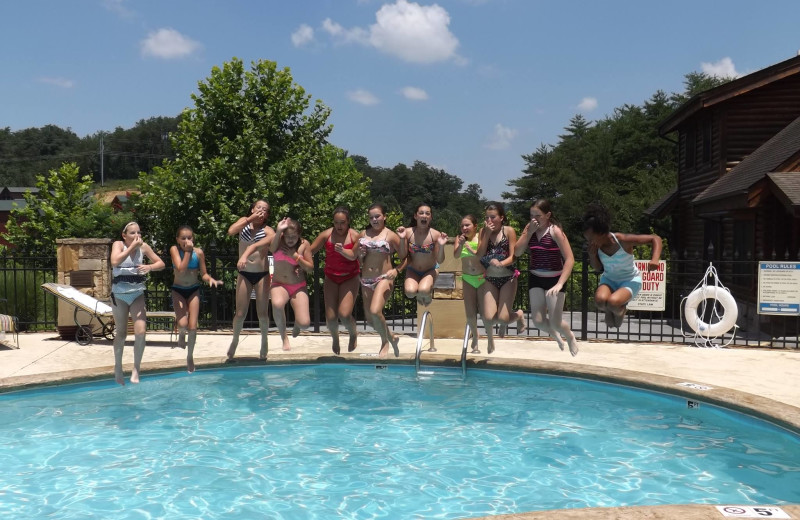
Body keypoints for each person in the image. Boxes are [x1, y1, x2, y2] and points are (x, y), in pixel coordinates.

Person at [582, 203, 663, 328]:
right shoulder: (596, 248)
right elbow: (598, 268)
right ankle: (610, 308)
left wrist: (655, 259)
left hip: (630, 280)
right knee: (599, 301)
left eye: (591, 238)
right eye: (587, 239)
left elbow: (655, 238)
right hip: (609, 279)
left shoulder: (623, 241)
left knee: (613, 302)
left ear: (602, 233)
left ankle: (621, 310)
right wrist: (592, 255)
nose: (589, 242)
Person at [515, 199, 579, 356]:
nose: (534, 219)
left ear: (548, 215)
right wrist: (528, 233)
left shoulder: (555, 231)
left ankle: (569, 336)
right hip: (536, 277)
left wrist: (560, 283)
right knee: (537, 321)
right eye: (531, 215)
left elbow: (570, 259)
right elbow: (517, 252)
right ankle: (556, 336)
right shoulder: (529, 229)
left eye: (538, 215)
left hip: (554, 280)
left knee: (556, 322)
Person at [109, 222, 165, 385]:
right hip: (119, 296)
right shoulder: (118, 245)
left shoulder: (144, 247)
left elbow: (160, 263)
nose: (137, 236)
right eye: (132, 233)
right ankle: (118, 367)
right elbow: (114, 261)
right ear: (124, 235)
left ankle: (136, 369)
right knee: (121, 333)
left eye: (138, 233)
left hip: (137, 295)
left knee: (141, 333)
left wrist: (150, 266)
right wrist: (132, 247)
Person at [170, 225, 223, 373]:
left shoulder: (199, 253)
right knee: (183, 323)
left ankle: (190, 357)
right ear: (177, 240)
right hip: (178, 290)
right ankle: (181, 333)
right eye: (183, 238)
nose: (187, 240)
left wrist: (211, 279)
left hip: (193, 290)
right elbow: (181, 268)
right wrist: (187, 251)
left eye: (189, 238)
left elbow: (204, 274)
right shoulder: (174, 250)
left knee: (193, 327)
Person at [226, 199, 275, 360]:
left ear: (267, 215)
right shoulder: (243, 222)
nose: (261, 211)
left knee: (262, 313)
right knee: (240, 313)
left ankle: (264, 341)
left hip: (261, 274)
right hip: (244, 273)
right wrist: (249, 219)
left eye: (265, 210)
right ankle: (234, 340)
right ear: (252, 209)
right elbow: (231, 231)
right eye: (258, 208)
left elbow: (273, 244)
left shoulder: (268, 231)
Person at [309, 207, 361, 355]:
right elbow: (310, 251)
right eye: (336, 222)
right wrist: (298, 262)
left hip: (350, 277)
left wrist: (343, 251)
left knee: (344, 315)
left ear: (348, 222)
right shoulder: (326, 235)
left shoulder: (355, 236)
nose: (339, 226)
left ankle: (353, 333)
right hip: (331, 278)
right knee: (331, 319)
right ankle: (335, 339)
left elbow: (354, 256)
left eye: (342, 223)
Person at [477, 203, 526, 354]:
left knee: (503, 318)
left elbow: (514, 256)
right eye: (487, 218)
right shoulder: (482, 231)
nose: (489, 220)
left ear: (501, 218)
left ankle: (519, 315)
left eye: (493, 217)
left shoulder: (509, 231)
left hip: (507, 277)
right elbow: (479, 255)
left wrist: (501, 263)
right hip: (490, 278)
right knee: (489, 318)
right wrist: (485, 234)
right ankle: (491, 340)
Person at [359, 203, 404, 358]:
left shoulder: (390, 235)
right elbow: (358, 261)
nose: (374, 219)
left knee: (375, 311)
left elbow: (407, 257)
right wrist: (360, 254)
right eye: (371, 217)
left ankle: (385, 342)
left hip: (384, 278)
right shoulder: (363, 233)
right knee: (371, 320)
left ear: (384, 216)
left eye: (377, 216)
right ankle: (391, 337)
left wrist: (396, 270)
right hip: (366, 279)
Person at [269, 217, 312, 351]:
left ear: (299, 235)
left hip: (298, 285)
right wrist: (278, 231)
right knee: (277, 304)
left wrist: (296, 257)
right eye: (287, 236)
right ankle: (284, 338)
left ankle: (297, 325)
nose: (290, 239)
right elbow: (271, 249)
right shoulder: (278, 241)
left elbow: (310, 268)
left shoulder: (304, 244)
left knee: (305, 324)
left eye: (293, 236)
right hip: (279, 283)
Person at [396, 203, 448, 306]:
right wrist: (402, 239)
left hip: (430, 270)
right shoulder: (407, 232)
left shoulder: (435, 235)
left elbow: (440, 260)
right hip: (413, 270)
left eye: (427, 214)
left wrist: (441, 246)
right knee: (410, 293)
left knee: (423, 290)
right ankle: (421, 294)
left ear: (431, 217)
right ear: (416, 216)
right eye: (421, 213)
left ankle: (426, 294)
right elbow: (402, 256)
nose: (424, 215)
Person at [453, 215, 484, 353]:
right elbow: (456, 255)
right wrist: (460, 244)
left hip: (482, 278)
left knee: (485, 313)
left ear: (475, 226)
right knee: (470, 313)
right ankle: (475, 338)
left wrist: (468, 247)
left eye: (467, 225)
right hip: (467, 278)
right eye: (462, 226)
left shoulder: (480, 238)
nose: (464, 228)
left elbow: (482, 255)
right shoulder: (459, 239)